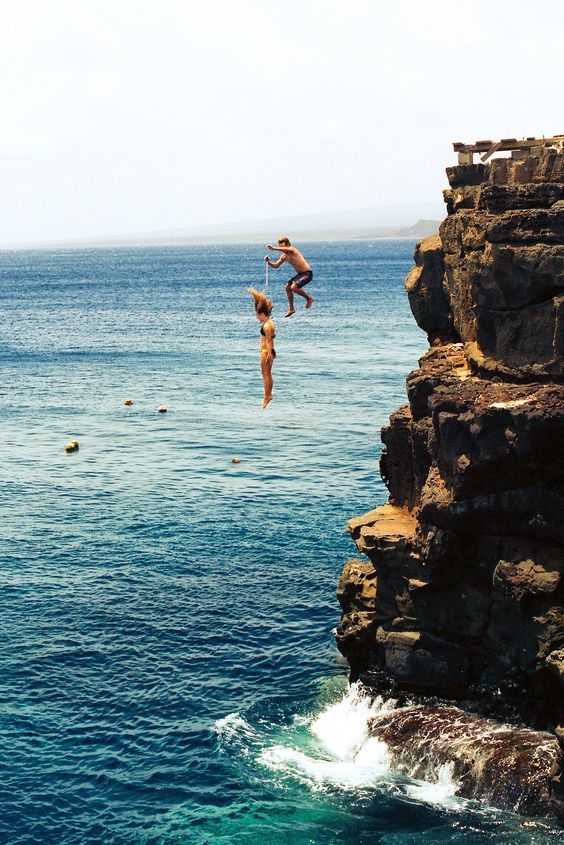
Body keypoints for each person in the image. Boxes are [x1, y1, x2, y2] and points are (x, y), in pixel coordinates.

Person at [265, 237, 314, 317]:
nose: (281, 247)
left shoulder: (293, 250)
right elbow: (276, 265)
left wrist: (274, 248)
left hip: (307, 274)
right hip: (300, 275)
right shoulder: (284, 256)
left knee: (294, 287)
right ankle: (291, 309)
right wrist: (268, 262)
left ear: (288, 245)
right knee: (287, 287)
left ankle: (309, 298)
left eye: (282, 245)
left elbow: (288, 249)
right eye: (280, 245)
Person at [248, 287, 276, 409]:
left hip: (266, 352)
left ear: (261, 313)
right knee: (268, 374)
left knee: (266, 375)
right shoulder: (269, 323)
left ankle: (267, 396)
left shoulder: (267, 326)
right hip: (268, 352)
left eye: (257, 314)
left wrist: (269, 355)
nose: (256, 317)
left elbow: (269, 341)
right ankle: (268, 395)